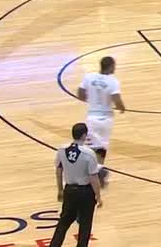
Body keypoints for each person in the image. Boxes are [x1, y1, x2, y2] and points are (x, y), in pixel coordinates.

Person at [49, 123, 102, 247]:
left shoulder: (62, 150)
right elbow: (93, 178)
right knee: (85, 225)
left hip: (69, 190)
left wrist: (60, 190)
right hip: (85, 193)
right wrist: (98, 196)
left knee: (63, 222)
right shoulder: (89, 153)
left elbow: (58, 170)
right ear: (84, 135)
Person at [77, 56, 125, 188]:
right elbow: (117, 99)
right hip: (106, 119)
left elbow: (80, 94)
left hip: (92, 117)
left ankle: (93, 171)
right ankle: (98, 171)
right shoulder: (113, 81)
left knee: (91, 146)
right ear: (110, 67)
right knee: (101, 147)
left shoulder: (89, 77)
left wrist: (92, 101)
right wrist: (121, 107)